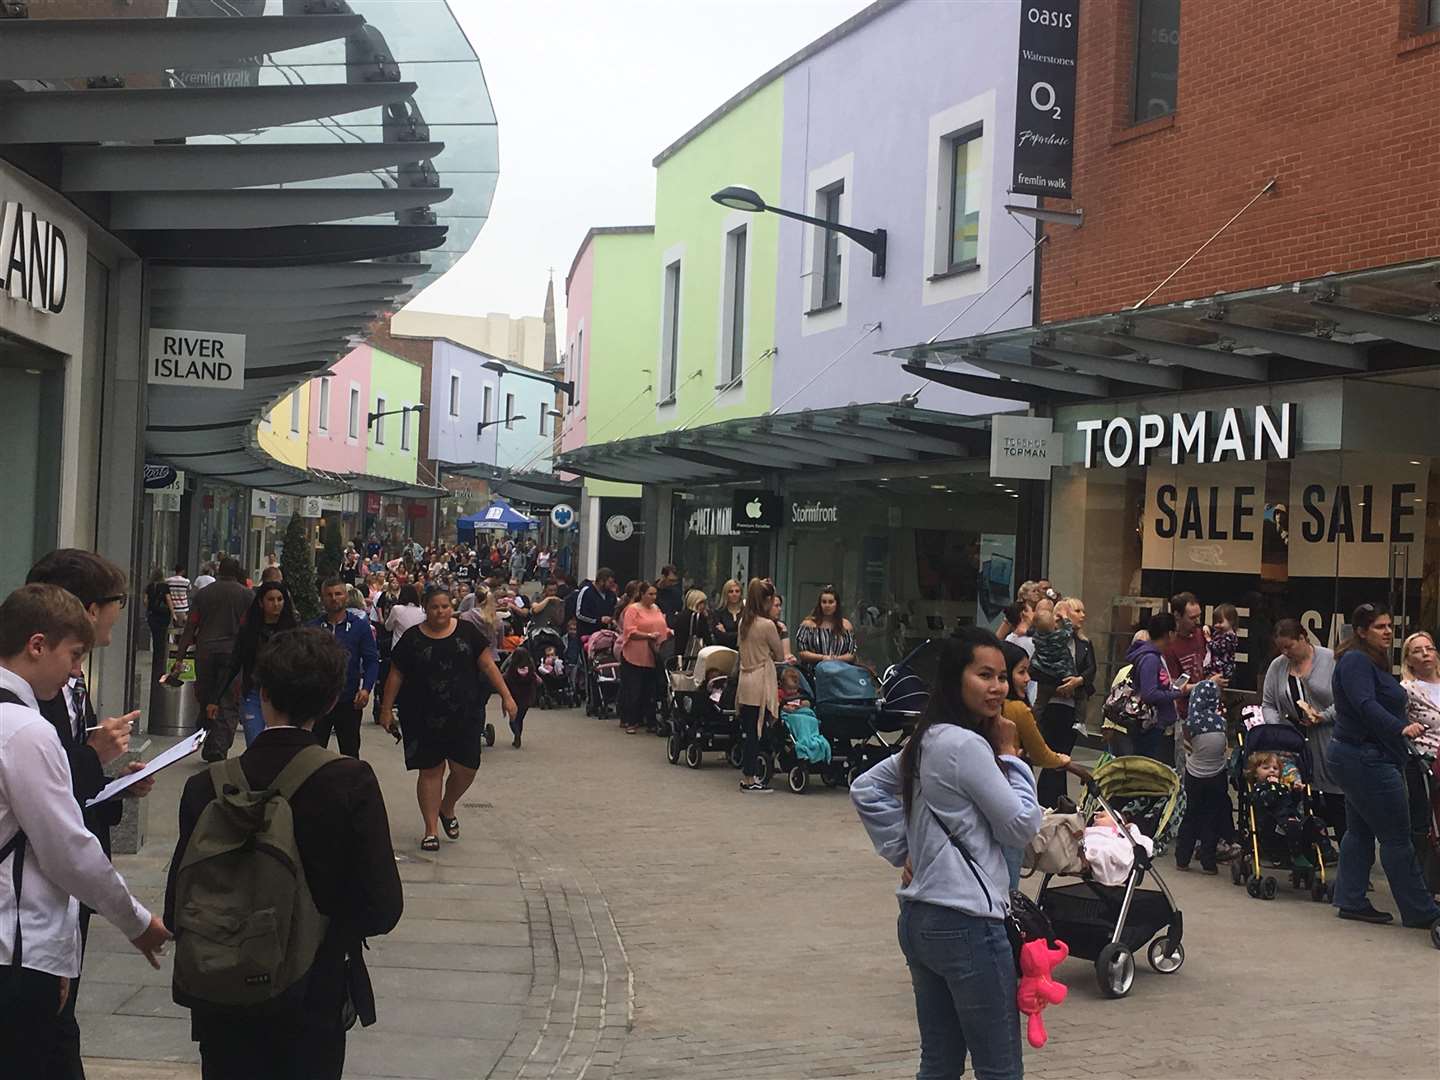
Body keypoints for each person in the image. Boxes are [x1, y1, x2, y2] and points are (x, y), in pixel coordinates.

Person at [165, 627, 403, 1079]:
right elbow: (383, 906)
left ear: (261, 693)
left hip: (222, 989)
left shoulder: (207, 786)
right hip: (313, 991)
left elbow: (179, 897)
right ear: (331, 701)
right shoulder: (349, 781)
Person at [850, 628, 1041, 1080]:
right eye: (984, 675)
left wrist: (906, 850)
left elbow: (866, 789)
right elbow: (1021, 826)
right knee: (999, 1068)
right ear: (956, 679)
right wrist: (1012, 755)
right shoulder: (968, 745)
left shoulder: (930, 736)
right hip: (969, 923)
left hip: (921, 918)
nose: (997, 688)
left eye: (1001, 677)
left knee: (938, 1061)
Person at [0, 584, 170, 1076]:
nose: (77, 670)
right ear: (36, 645)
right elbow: (68, 850)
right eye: (74, 655)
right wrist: (136, 922)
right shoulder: (26, 733)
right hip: (15, 951)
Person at [1328, 603, 1440, 931]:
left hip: (1362, 755)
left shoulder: (1371, 660)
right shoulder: (1356, 661)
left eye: (1390, 625)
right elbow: (1365, 705)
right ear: (1361, 631)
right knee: (1396, 837)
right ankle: (1420, 910)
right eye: (1379, 627)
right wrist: (1399, 728)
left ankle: (1350, 899)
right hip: (1365, 757)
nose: (1388, 631)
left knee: (1360, 830)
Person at [380, 587, 516, 850]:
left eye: (444, 606)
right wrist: (386, 709)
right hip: (421, 714)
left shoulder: (467, 632)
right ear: (425, 609)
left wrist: (507, 696)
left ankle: (448, 806)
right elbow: (396, 674)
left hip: (464, 712)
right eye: (434, 607)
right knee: (430, 770)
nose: (440, 612)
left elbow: (488, 665)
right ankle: (430, 830)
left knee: (467, 767)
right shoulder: (412, 638)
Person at [1261, 620, 1345, 840]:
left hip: (1327, 736)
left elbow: (1345, 700)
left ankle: (1342, 839)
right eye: (1281, 648)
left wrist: (1323, 716)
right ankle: (1304, 841)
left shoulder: (1330, 660)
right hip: (1292, 739)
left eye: (1289, 646)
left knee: (1334, 793)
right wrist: (1276, 730)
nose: (1285, 652)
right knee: (1297, 790)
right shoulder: (1278, 666)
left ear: (1303, 638)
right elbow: (1268, 703)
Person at [167, 557, 254, 762]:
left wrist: (179, 657)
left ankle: (207, 734)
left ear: (218, 572)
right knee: (228, 701)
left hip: (205, 652)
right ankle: (218, 745)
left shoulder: (204, 594)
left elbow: (191, 626)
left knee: (206, 696)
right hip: (233, 654)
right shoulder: (246, 595)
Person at [999, 641, 1067, 888]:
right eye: (1021, 671)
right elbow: (1041, 753)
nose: (1027, 678)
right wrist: (1061, 760)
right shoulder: (1017, 709)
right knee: (1008, 875)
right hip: (1011, 799)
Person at [216, 582, 299, 747]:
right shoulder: (249, 630)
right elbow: (234, 663)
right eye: (271, 599)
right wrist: (215, 698)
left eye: (280, 599)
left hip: (282, 694)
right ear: (261, 602)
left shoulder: (292, 630)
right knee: (255, 742)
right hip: (254, 693)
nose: (276, 604)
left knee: (280, 745)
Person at [307, 578, 380, 760]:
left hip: (349, 701)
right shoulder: (312, 628)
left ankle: (350, 787)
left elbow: (371, 660)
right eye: (329, 595)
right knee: (313, 754)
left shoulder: (359, 626)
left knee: (350, 753)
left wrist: (366, 689)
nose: (334, 598)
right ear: (322, 598)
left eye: (338, 594)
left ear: (346, 596)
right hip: (318, 702)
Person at [1033, 596, 1095, 808]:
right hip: (1054, 704)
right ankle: (1050, 801)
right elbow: (1040, 668)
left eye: (1084, 611)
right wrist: (1061, 685)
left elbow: (1091, 670)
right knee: (1055, 757)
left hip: (1074, 705)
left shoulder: (1085, 643)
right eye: (1077, 611)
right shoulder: (1052, 636)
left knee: (1063, 756)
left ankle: (1057, 800)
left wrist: (1078, 681)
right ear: (1064, 614)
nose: (1083, 615)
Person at [1174, 678, 1240, 873]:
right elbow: (1223, 750)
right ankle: (1208, 861)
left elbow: (1186, 750)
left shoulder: (1190, 724)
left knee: (1190, 815)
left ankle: (1182, 859)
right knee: (1211, 817)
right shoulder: (1221, 722)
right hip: (1217, 775)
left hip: (1194, 775)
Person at [736, 579, 787, 791]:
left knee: (749, 729)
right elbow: (780, 653)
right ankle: (750, 777)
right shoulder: (767, 626)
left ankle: (748, 774)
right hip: (761, 679)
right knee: (758, 728)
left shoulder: (743, 622)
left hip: (745, 678)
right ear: (767, 600)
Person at [1126, 611, 1196, 761]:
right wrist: (1176, 693)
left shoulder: (1156, 656)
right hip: (1151, 726)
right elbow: (1149, 693)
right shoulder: (1150, 659)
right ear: (1168, 634)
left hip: (1158, 725)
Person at [618, 581, 671, 735]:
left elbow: (661, 626)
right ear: (642, 594)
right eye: (650, 594)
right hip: (635, 655)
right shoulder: (632, 610)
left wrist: (669, 632)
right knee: (634, 689)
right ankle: (631, 721)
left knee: (651, 689)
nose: (654, 597)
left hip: (654, 654)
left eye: (655, 594)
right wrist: (647, 636)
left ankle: (651, 721)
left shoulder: (656, 608)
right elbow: (629, 632)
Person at [794, 587, 857, 672]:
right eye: (824, 602)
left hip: (840, 673)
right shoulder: (808, 625)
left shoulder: (846, 625)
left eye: (831, 602)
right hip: (813, 673)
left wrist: (835, 659)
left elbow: (851, 654)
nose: (827, 605)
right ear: (819, 604)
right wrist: (822, 658)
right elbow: (801, 652)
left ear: (837, 604)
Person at [504, 647, 542, 748]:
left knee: (513, 720)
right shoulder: (530, 669)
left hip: (514, 697)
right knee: (520, 719)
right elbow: (538, 681)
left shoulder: (512, 669)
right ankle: (518, 735)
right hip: (526, 698)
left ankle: (516, 734)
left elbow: (505, 678)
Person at [574, 568, 617, 636]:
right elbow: (579, 614)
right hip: (587, 634)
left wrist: (613, 621)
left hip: (605, 635)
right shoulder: (586, 591)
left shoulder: (611, 595)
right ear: (601, 581)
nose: (611, 585)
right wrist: (599, 620)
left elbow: (613, 611)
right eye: (609, 582)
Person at [1209, 603, 1240, 683]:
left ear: (1231, 621)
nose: (1217, 625)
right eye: (1215, 622)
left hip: (1223, 671)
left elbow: (1218, 649)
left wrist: (1208, 639)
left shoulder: (1230, 637)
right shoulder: (1218, 633)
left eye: (1220, 622)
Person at [711, 578, 744, 649]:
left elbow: (748, 635)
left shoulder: (746, 612)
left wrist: (726, 633)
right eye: (731, 591)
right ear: (726, 594)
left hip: (744, 653)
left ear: (741, 594)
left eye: (737, 591)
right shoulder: (718, 613)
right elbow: (720, 638)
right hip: (724, 653)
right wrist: (739, 635)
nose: (734, 594)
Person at [164, 562, 191, 627]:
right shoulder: (186, 581)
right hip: (183, 608)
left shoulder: (168, 581)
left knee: (170, 629)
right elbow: (189, 590)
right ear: (183, 571)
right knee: (181, 629)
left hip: (171, 608)